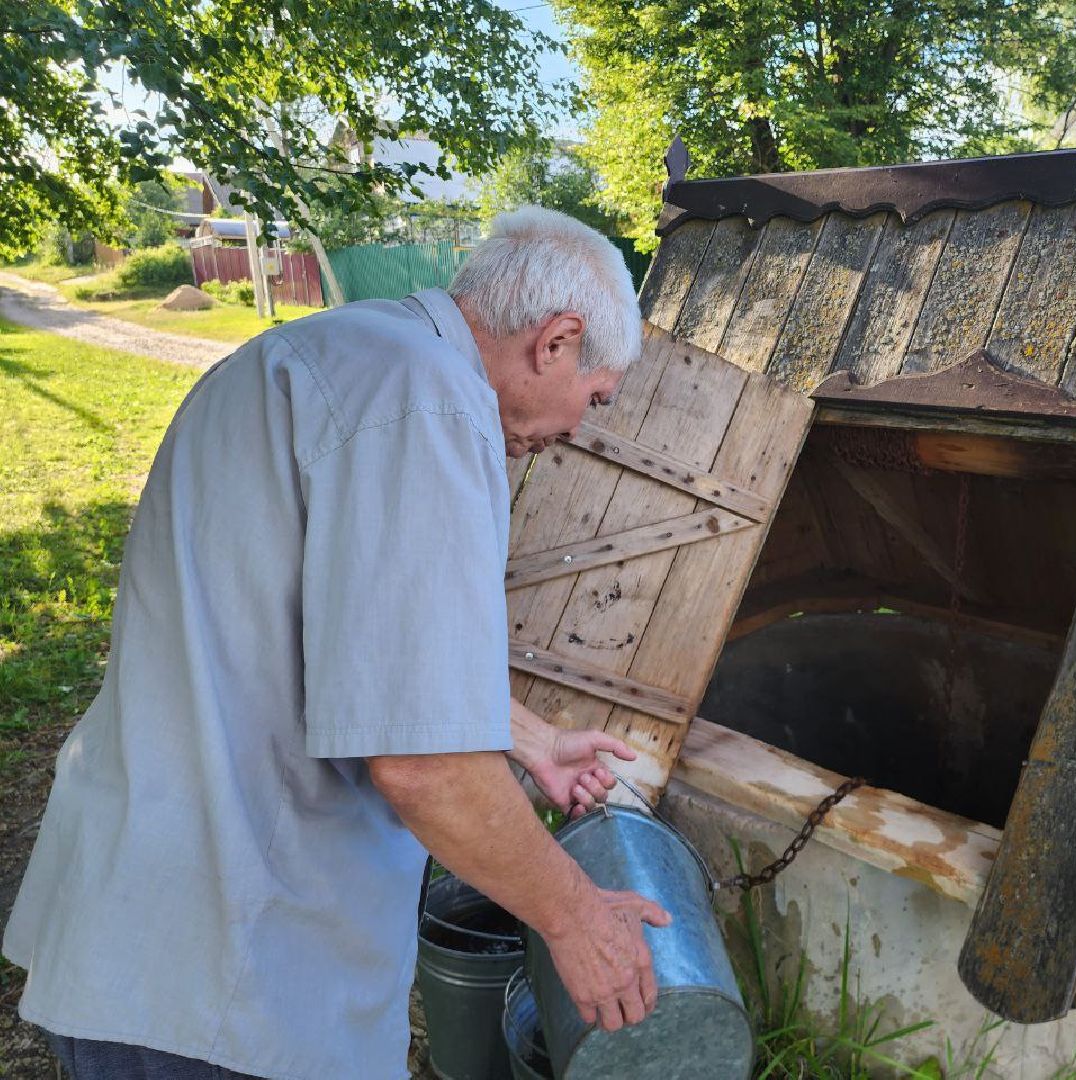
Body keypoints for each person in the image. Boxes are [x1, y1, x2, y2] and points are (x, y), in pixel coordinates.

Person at [2, 206, 669, 1080]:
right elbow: (422, 762)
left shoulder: (332, 354)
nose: (581, 427)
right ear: (557, 342)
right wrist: (578, 919)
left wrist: (533, 739)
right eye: (597, 396)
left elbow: (346, 644)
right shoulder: (431, 404)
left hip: (136, 934)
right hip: (234, 977)